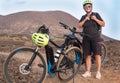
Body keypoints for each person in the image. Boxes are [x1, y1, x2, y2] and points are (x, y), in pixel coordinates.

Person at [77, 0, 105, 79]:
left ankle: (98, 72)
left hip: (95, 38)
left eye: (89, 6)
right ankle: (88, 72)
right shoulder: (83, 17)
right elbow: (79, 26)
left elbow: (103, 24)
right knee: (87, 55)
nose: (87, 8)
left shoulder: (96, 14)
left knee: (97, 55)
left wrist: (95, 19)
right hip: (86, 38)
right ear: (84, 8)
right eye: (86, 6)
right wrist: (85, 20)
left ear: (91, 7)